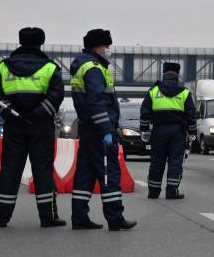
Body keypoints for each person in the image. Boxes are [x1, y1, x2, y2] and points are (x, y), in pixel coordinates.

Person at [0, 27, 66, 228]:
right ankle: (48, 217)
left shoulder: (4, 67)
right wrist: (36, 114)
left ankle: (1, 217)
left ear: (20, 41)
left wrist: (12, 112)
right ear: (41, 42)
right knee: (43, 171)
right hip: (41, 128)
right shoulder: (50, 67)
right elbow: (56, 96)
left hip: (14, 127)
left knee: (10, 171)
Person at [70, 29, 137, 231]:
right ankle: (115, 218)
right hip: (99, 130)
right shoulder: (93, 68)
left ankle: (80, 217)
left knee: (85, 173)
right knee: (109, 174)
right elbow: (97, 102)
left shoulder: (83, 65)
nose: (108, 49)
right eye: (106, 46)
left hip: (88, 129)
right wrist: (107, 130)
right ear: (96, 46)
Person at [139, 62, 196, 199]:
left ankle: (153, 192)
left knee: (157, 161)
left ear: (163, 74)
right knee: (175, 161)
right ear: (178, 75)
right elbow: (191, 115)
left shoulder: (153, 91)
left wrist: (145, 130)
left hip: (159, 131)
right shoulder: (184, 93)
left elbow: (145, 113)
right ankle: (171, 192)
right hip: (178, 132)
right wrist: (192, 132)